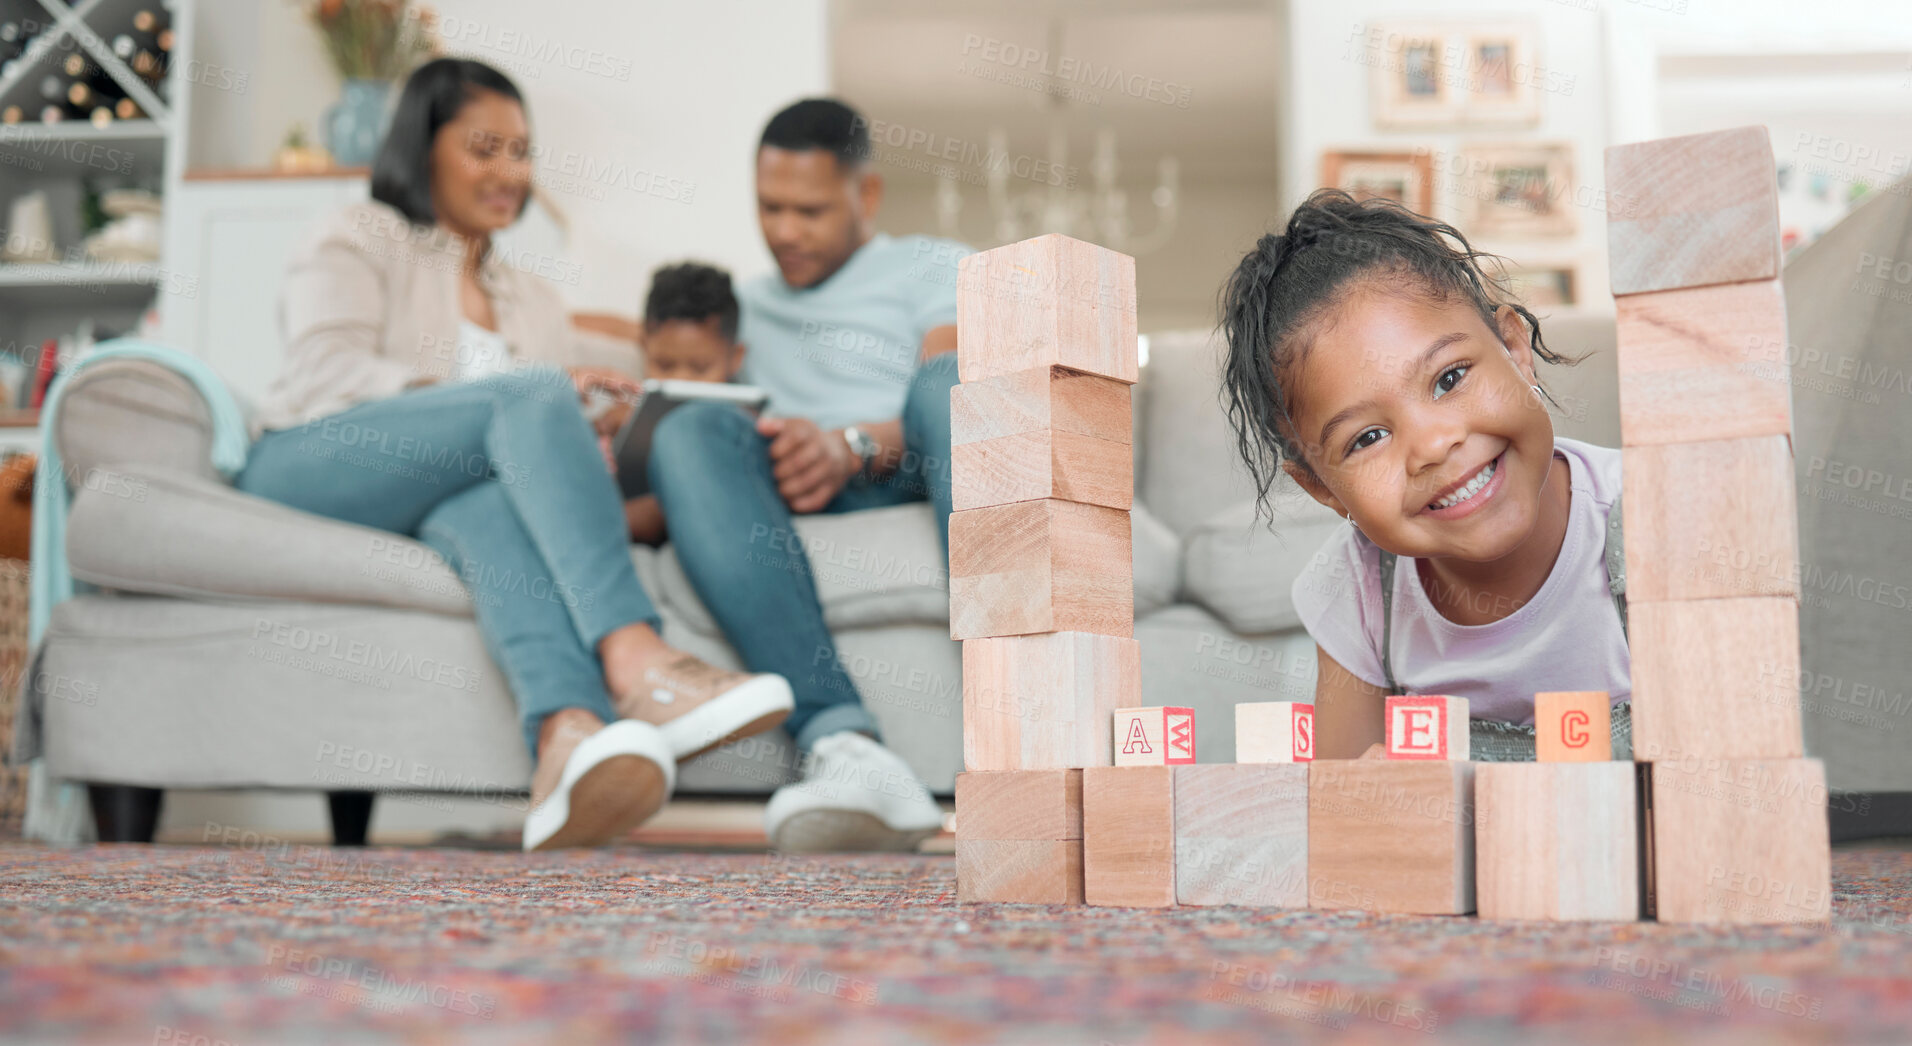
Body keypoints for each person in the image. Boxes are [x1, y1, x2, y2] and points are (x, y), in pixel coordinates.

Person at [237, 58, 794, 850]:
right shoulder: (359, 234)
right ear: (423, 147)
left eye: (522, 152)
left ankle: (568, 739)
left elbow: (518, 434)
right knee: (533, 393)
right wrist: (522, 398)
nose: (510, 172)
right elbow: (328, 377)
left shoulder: (533, 300)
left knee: (494, 495)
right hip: (314, 463)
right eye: (484, 148)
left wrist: (585, 433)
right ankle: (636, 660)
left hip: (446, 496)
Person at [647, 99, 965, 852]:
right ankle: (847, 747)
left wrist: (849, 445)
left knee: (948, 380)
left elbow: (952, 379)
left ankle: (1018, 730)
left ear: (868, 196)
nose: (785, 231)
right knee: (689, 427)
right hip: (784, 486)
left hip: (910, 462)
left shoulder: (930, 265)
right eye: (769, 208)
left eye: (810, 210)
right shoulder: (742, 307)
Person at [1218, 189, 1632, 762]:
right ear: (1322, 489)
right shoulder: (1359, 592)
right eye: (1367, 438)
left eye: (1449, 378)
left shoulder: (1642, 514)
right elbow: (1347, 821)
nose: (1434, 446)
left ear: (1514, 349)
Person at [620, 262, 748, 545]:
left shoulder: (745, 421)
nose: (681, 381)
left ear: (735, 357)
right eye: (664, 365)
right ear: (643, 346)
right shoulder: (623, 411)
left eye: (700, 368)